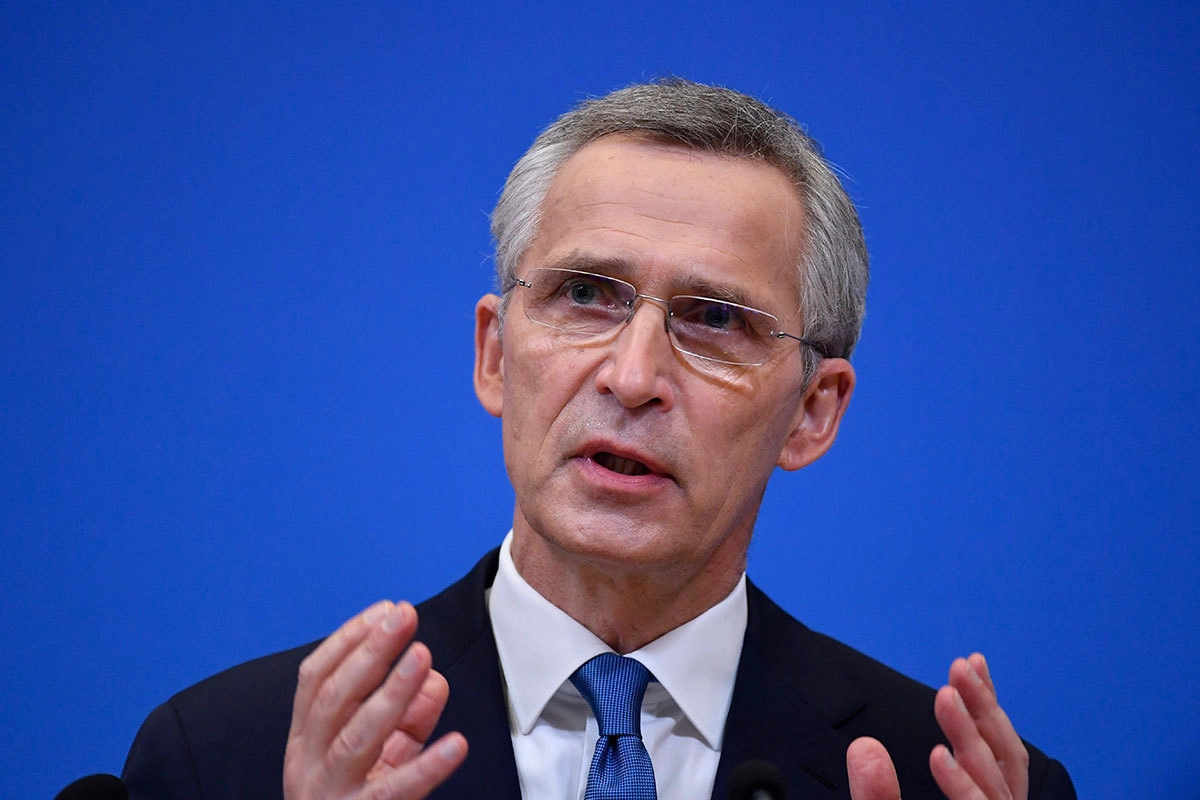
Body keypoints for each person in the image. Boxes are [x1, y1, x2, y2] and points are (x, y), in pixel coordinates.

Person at [123, 79, 1076, 800]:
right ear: (495, 355)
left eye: (713, 318)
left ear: (812, 411)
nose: (631, 375)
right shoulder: (226, 758)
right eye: (585, 294)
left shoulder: (945, 778)